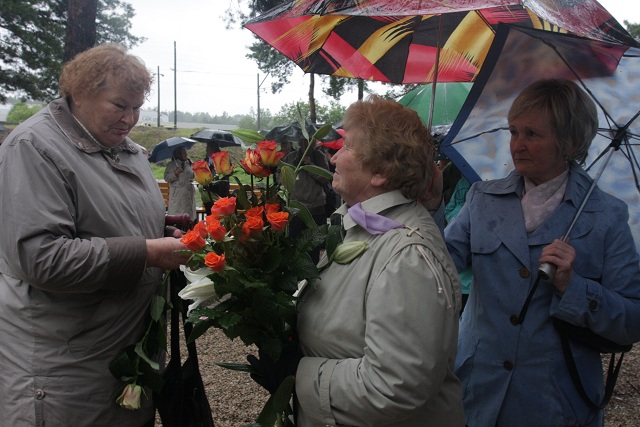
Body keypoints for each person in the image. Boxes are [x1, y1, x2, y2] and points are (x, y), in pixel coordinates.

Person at [0, 44, 190, 426]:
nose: (130, 119)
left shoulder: (126, 150)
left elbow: (107, 222)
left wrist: (161, 228)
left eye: (137, 107)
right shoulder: (33, 148)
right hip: (65, 374)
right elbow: (41, 258)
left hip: (122, 362)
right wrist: (150, 252)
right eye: (119, 105)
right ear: (80, 93)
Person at [445, 79, 640, 426]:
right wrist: (428, 207)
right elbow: (439, 264)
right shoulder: (482, 199)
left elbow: (632, 320)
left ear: (571, 143)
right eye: (514, 132)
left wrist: (573, 287)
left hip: (555, 402)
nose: (517, 145)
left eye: (532, 134)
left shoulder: (606, 216)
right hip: (476, 391)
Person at [293, 96, 464, 426]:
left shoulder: (407, 257)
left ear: (380, 173)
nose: (334, 157)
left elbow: (394, 386)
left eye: (347, 146)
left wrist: (301, 376)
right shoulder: (360, 226)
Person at [282, 137, 331, 264]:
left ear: (314, 142)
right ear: (299, 142)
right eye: (303, 140)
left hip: (316, 208)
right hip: (295, 209)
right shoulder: (291, 157)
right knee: (293, 243)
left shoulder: (319, 156)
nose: (306, 144)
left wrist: (310, 165)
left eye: (309, 141)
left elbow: (325, 178)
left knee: (313, 246)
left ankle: (312, 270)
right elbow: (281, 176)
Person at [164, 146, 196, 221]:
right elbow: (166, 178)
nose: (186, 154)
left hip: (189, 196)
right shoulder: (171, 165)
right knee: (177, 217)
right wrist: (175, 173)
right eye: (184, 153)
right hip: (178, 198)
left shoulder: (189, 163)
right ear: (178, 154)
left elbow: (193, 176)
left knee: (189, 217)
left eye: (186, 152)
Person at [203, 140, 230, 214]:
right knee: (210, 214)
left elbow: (228, 172)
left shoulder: (223, 159)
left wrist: (215, 167)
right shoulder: (205, 161)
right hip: (209, 192)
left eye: (208, 148)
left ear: (213, 149)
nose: (206, 150)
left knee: (220, 214)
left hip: (220, 191)